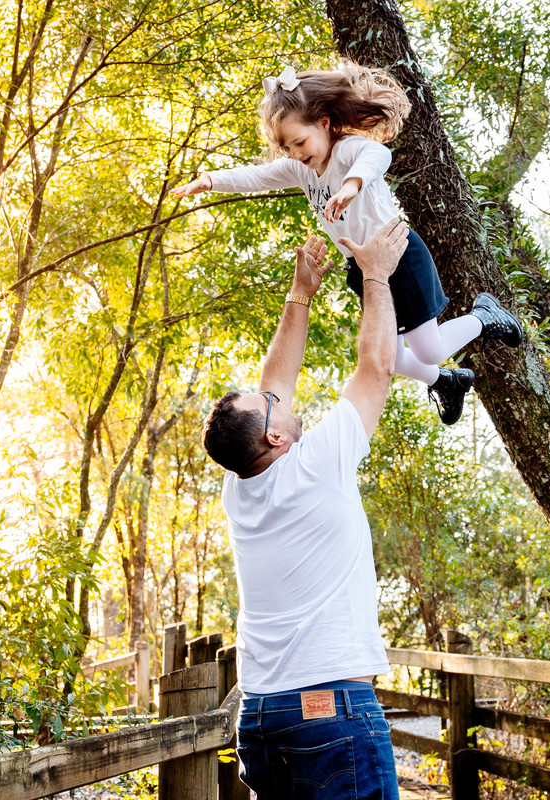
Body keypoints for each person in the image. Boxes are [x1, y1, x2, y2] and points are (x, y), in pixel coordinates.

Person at [174, 61, 524, 425]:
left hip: (398, 256)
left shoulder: (347, 151)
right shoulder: (299, 167)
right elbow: (256, 176)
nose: (295, 153)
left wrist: (351, 184)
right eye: (286, 147)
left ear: (324, 123)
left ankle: (484, 316)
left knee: (430, 349)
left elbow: (379, 154)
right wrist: (209, 180)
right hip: (365, 268)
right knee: (386, 354)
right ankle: (447, 382)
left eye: (300, 142)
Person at [201, 219, 410, 798]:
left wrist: (301, 294)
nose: (278, 399)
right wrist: (375, 275)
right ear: (274, 439)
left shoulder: (239, 486)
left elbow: (276, 381)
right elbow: (376, 368)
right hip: (329, 713)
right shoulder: (318, 461)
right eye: (270, 408)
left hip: (262, 718)